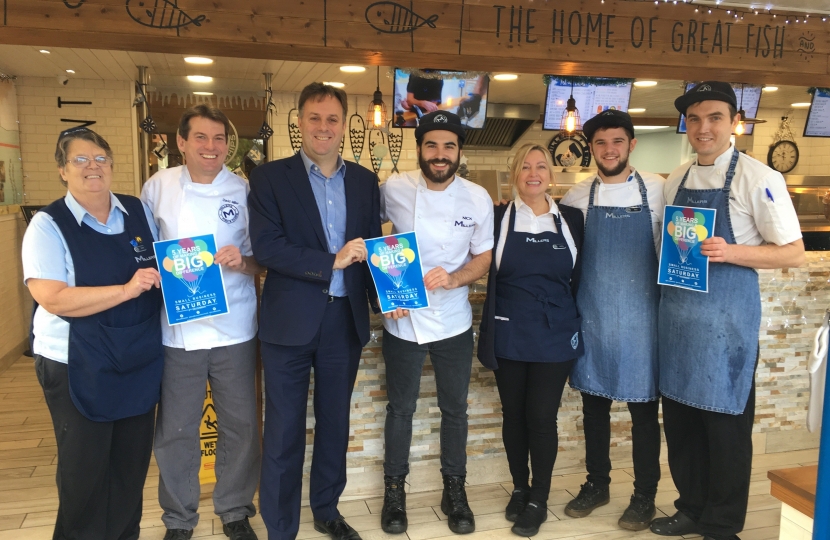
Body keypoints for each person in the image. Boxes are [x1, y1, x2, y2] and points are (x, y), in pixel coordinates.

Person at [652, 82, 804, 540]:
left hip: (726, 328)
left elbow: (793, 252)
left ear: (732, 121)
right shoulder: (675, 178)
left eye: (714, 117)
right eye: (695, 119)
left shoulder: (758, 178)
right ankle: (690, 508)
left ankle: (721, 524)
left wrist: (731, 252)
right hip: (678, 321)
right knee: (681, 425)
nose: (704, 128)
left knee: (725, 429)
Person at [248, 82, 382, 540]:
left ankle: (327, 509)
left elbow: (370, 249)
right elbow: (267, 249)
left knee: (334, 423)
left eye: (332, 119)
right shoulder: (268, 178)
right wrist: (331, 261)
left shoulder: (364, 181)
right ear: (299, 123)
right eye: (314, 118)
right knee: (283, 429)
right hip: (288, 322)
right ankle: (280, 527)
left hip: (342, 320)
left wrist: (392, 298)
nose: (323, 127)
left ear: (343, 125)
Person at [22, 127, 163, 539]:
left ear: (112, 165)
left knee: (129, 470)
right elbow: (53, 298)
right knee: (84, 474)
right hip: (76, 363)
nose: (92, 167)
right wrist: (126, 289)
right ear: (62, 170)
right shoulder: (48, 225)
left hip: (136, 358)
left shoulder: (138, 211)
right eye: (80, 160)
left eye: (100, 159)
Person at [141, 104, 263, 540]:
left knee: (241, 425)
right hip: (178, 330)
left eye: (219, 139)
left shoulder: (245, 190)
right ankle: (178, 518)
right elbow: (143, 250)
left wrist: (243, 261)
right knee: (176, 428)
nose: (211, 148)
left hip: (235, 325)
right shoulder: (157, 187)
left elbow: (262, 261)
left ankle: (234, 509)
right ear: (181, 142)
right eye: (201, 138)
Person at [379, 110, 494, 536]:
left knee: (455, 411)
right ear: (419, 149)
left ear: (459, 151)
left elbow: (483, 256)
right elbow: (370, 238)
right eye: (432, 145)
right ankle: (394, 493)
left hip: (453, 322)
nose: (440, 154)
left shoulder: (477, 197)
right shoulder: (393, 188)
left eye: (448, 146)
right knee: (400, 410)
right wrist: (386, 288)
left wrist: (455, 277)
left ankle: (454, 490)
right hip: (403, 323)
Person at [559, 110, 664, 531]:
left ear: (631, 144)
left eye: (617, 141)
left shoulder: (658, 189)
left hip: (644, 321)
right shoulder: (575, 198)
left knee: (643, 416)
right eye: (601, 143)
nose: (609, 150)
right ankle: (597, 483)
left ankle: (645, 496)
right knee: (594, 408)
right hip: (595, 319)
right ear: (592, 148)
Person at [477, 144, 584, 536]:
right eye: (526, 166)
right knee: (514, 415)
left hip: (556, 333)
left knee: (541, 417)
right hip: (509, 329)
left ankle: (539, 496)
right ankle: (519, 487)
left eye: (541, 166)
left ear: (551, 175)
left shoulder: (572, 219)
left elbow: (578, 277)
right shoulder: (497, 217)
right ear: (514, 173)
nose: (533, 173)